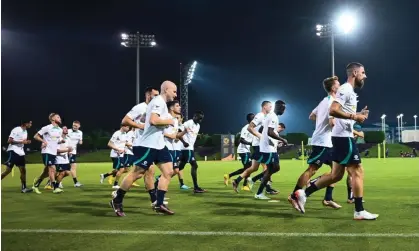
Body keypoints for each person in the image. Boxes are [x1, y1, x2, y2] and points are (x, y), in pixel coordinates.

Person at [294, 62, 378, 220]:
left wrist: (359, 114)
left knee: (336, 175)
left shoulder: (347, 90)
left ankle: (302, 194)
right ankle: (359, 210)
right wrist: (355, 116)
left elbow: (341, 112)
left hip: (339, 137)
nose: (365, 76)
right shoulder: (346, 89)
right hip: (343, 138)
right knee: (357, 171)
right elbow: (333, 110)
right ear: (354, 73)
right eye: (363, 72)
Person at [110, 81, 178, 216]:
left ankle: (159, 204)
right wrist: (170, 121)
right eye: (174, 91)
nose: (176, 94)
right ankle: (117, 200)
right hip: (148, 144)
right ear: (166, 90)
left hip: (159, 144)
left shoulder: (161, 103)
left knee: (168, 171)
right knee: (138, 173)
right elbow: (154, 120)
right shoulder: (158, 101)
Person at [288, 76, 341, 211]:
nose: (340, 85)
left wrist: (320, 122)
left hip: (325, 141)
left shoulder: (324, 101)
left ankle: (328, 198)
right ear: (334, 88)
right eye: (338, 84)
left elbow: (311, 116)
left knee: (336, 171)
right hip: (323, 142)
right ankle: (295, 195)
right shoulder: (333, 102)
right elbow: (332, 123)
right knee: (312, 169)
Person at [232, 101, 271, 193]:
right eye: (270, 106)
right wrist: (260, 137)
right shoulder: (260, 116)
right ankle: (262, 190)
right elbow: (250, 128)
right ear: (264, 107)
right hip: (259, 146)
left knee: (254, 168)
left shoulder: (265, 117)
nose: (271, 108)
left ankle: (236, 180)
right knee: (269, 168)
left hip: (258, 145)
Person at [253, 100, 287, 199]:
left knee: (274, 168)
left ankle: (255, 182)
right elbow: (270, 132)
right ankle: (259, 193)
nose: (283, 110)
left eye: (284, 108)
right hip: (268, 148)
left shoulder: (270, 115)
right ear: (277, 107)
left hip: (267, 146)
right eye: (282, 108)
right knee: (273, 168)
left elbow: (262, 130)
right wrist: (282, 139)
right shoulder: (273, 117)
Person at [154, 100, 189, 189]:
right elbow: (159, 132)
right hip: (164, 147)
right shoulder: (166, 117)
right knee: (168, 172)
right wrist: (171, 136)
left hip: (172, 148)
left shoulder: (175, 121)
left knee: (175, 170)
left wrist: (185, 131)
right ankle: (157, 193)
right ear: (171, 108)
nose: (180, 107)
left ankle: (157, 186)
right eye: (177, 106)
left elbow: (176, 135)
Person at [32, 113, 64, 194]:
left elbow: (56, 141)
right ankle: (55, 188)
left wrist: (61, 141)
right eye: (58, 117)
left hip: (54, 152)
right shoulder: (47, 128)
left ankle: (36, 184)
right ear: (52, 119)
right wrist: (43, 141)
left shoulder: (60, 130)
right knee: (52, 169)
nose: (60, 118)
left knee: (46, 171)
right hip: (47, 151)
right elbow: (36, 136)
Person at [224, 113, 255, 191]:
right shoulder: (245, 128)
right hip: (243, 151)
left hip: (247, 150)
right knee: (248, 168)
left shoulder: (253, 128)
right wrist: (250, 144)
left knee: (248, 168)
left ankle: (229, 176)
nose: (255, 119)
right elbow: (242, 140)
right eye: (253, 118)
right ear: (250, 120)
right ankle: (243, 185)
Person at [1, 120, 33, 193]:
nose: (31, 124)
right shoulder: (16, 129)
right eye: (30, 123)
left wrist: (27, 142)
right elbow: (9, 141)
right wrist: (22, 142)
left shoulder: (25, 131)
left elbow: (23, 141)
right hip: (13, 151)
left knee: (23, 170)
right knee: (7, 171)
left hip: (20, 153)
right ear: (26, 123)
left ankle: (24, 188)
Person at [178, 111, 206, 193]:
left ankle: (160, 177)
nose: (200, 120)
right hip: (186, 148)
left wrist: (199, 138)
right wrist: (184, 142)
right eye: (199, 118)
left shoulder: (198, 125)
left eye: (201, 119)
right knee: (194, 165)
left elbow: (192, 136)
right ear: (194, 116)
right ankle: (196, 187)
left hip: (189, 148)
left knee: (179, 168)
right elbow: (179, 133)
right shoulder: (188, 123)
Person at [99, 125, 130, 189]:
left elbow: (124, 143)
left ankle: (105, 175)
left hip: (121, 154)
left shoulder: (125, 134)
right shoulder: (117, 133)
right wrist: (118, 149)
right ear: (123, 126)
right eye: (127, 127)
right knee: (121, 169)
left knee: (119, 170)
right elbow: (109, 144)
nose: (128, 129)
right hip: (116, 155)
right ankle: (115, 184)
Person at [67, 121, 83, 187]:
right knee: (63, 168)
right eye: (73, 125)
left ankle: (76, 182)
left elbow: (80, 141)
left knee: (73, 167)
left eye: (76, 126)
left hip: (73, 152)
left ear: (79, 126)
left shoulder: (80, 132)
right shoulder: (68, 131)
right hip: (66, 151)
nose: (74, 127)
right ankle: (54, 182)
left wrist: (80, 142)